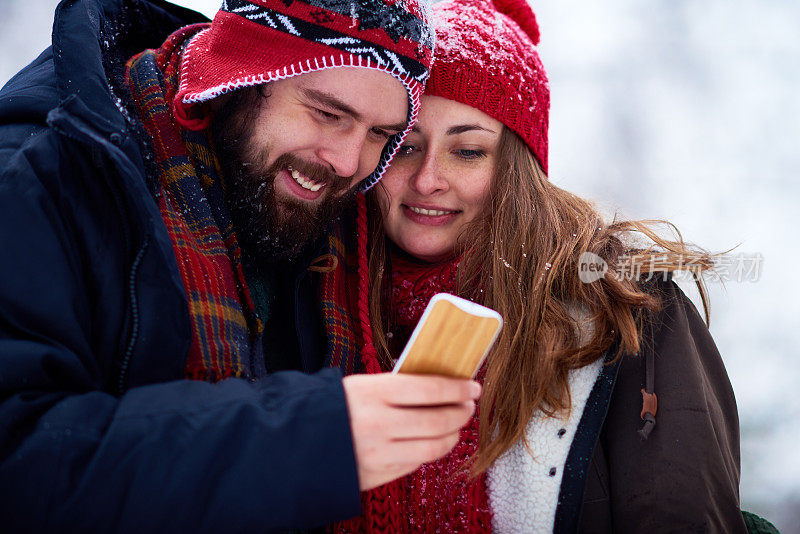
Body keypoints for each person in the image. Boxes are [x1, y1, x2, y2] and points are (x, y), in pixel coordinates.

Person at [0, 0, 482, 531]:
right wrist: (308, 440)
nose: (347, 162)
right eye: (327, 113)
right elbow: (20, 462)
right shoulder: (41, 177)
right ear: (240, 77)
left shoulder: (330, 211)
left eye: (380, 136)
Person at [320, 0, 747, 531]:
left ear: (516, 170)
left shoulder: (622, 310)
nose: (428, 179)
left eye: (468, 151)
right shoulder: (317, 300)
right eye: (405, 148)